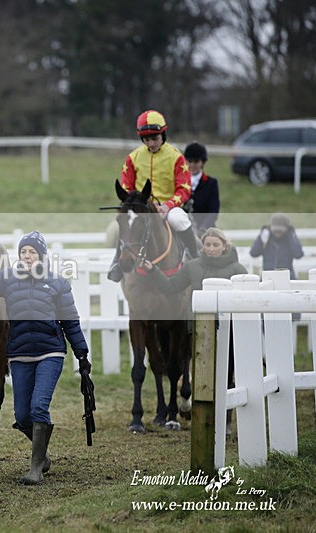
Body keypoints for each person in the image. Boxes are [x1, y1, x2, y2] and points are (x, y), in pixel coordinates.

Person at [0, 231, 90, 485]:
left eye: (32, 252)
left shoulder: (57, 283)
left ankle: (35, 469)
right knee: (22, 416)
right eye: (23, 252)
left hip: (50, 353)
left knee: (38, 407)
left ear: (41, 256)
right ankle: (42, 455)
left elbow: (70, 322)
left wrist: (82, 354)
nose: (27, 256)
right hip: (20, 355)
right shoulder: (8, 279)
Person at [139, 227, 248, 434]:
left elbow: (247, 299)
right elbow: (171, 286)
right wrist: (153, 271)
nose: (211, 248)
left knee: (226, 375)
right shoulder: (193, 266)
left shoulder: (237, 269)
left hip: (230, 330)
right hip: (199, 330)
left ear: (224, 246)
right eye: (208, 244)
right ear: (202, 246)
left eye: (215, 245)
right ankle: (205, 421)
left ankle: (225, 421)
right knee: (202, 376)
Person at [107, 109, 199, 282]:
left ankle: (195, 258)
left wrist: (167, 206)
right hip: (142, 207)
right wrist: (133, 204)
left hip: (168, 208)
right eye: (146, 139)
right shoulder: (133, 158)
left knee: (179, 220)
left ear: (163, 135)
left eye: (154, 138)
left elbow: (184, 189)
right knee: (126, 223)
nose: (151, 143)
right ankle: (117, 262)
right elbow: (126, 187)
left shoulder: (176, 157)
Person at [250, 213, 304, 280]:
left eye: (280, 231)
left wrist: (291, 235)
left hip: (287, 278)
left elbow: (298, 254)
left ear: (286, 229)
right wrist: (261, 238)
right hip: (268, 277)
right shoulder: (267, 238)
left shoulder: (289, 239)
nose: (277, 233)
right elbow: (254, 253)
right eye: (275, 230)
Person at [183, 141, 220, 235]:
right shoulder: (180, 182)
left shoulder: (211, 183)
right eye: (190, 161)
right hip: (183, 229)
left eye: (196, 162)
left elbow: (213, 211)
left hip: (204, 229)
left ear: (202, 162)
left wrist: (202, 229)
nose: (192, 165)